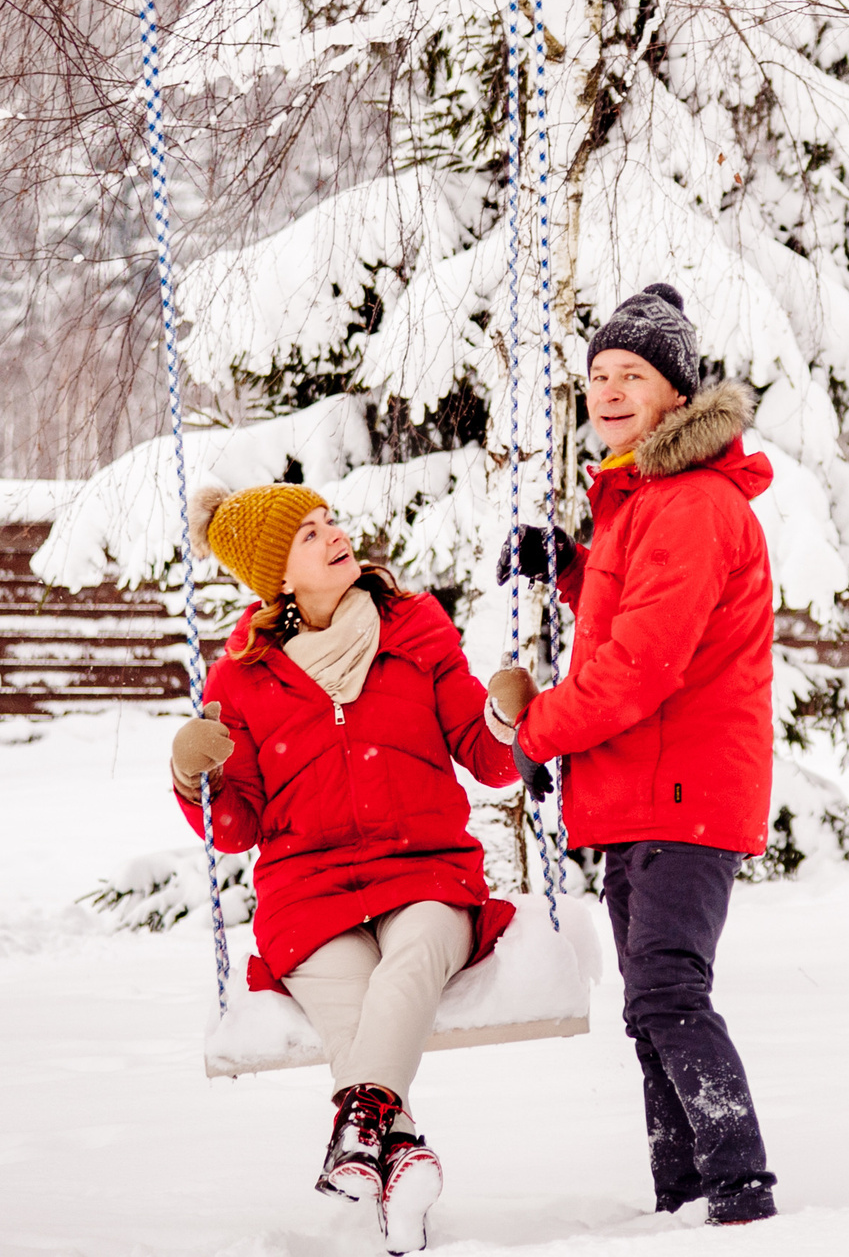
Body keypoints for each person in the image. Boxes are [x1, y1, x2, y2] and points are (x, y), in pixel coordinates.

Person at [488, 281, 780, 1226]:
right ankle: (681, 1197)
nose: (610, 392)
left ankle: (739, 1190)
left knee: (665, 991)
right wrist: (567, 568)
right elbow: (626, 614)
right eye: (599, 376)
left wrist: (537, 732)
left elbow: (641, 665)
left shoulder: (690, 502)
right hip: (647, 789)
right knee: (650, 1003)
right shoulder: (641, 499)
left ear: (676, 394)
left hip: (681, 787)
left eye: (634, 375)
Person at [169, 483, 519, 1254]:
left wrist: (503, 715)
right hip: (310, 895)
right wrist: (201, 777)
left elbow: (488, 756)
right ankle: (403, 1156)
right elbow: (237, 829)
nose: (334, 535)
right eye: (308, 534)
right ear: (279, 579)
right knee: (355, 1003)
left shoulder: (414, 627)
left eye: (330, 521)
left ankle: (360, 1128)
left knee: (416, 953)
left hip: (426, 872)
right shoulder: (242, 677)